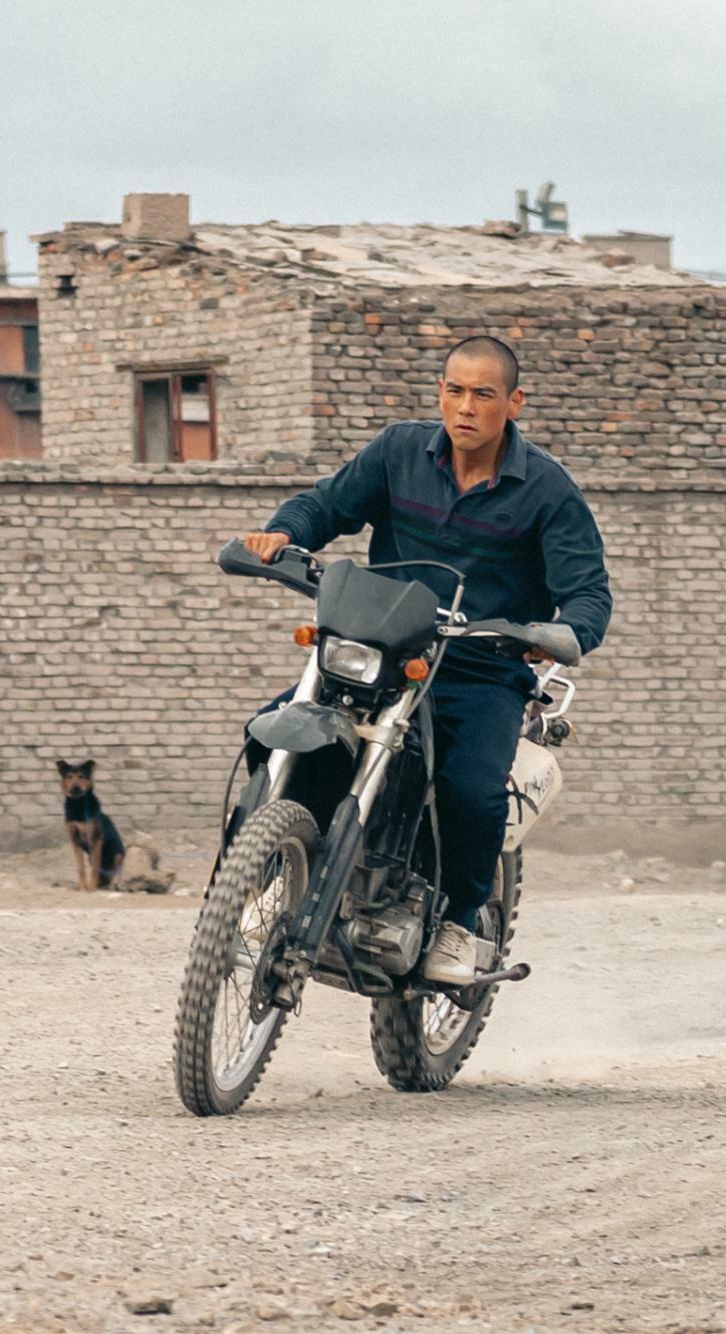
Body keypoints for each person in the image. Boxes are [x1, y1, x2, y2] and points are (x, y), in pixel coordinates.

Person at [239, 334, 611, 984]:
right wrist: (283, 532)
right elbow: (327, 504)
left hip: (481, 667)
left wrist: (559, 632)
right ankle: (278, 874)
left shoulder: (547, 491)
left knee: (470, 789)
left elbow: (587, 594)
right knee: (273, 733)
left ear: (513, 403)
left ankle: (461, 924)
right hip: (387, 648)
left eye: (484, 394)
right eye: (455, 390)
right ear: (440, 391)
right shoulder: (398, 451)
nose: (466, 406)